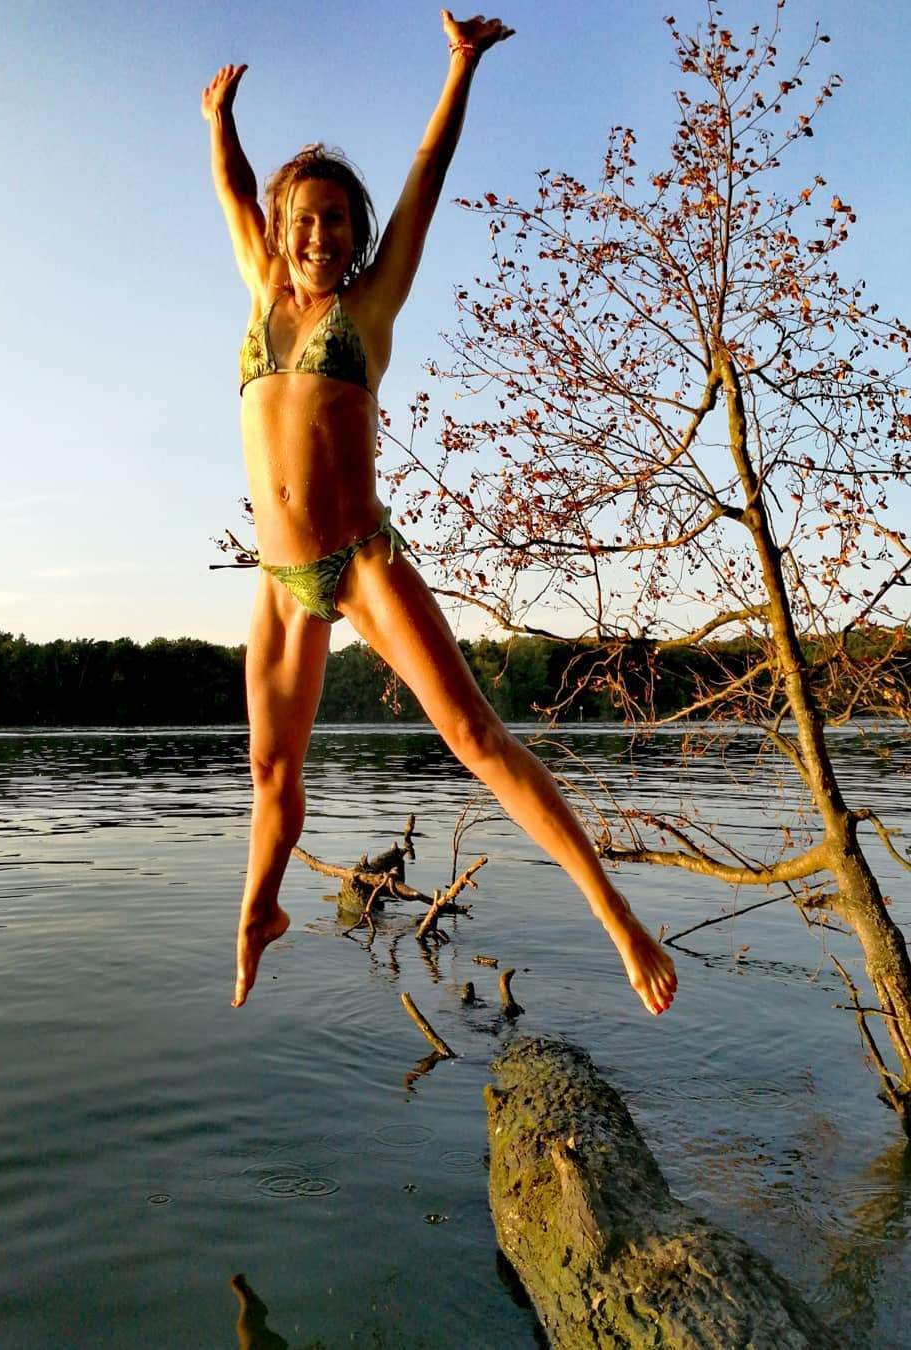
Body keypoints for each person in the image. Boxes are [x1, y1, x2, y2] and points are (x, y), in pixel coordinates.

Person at [202, 10, 677, 1016]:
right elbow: (237, 195)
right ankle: (260, 912)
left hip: (363, 560)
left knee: (473, 733)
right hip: (281, 584)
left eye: (336, 220)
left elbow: (424, 174)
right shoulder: (260, 290)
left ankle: (615, 913)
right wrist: (220, 123)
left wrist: (459, 69)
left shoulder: (366, 310)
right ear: (285, 234)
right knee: (269, 769)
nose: (319, 234)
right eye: (305, 221)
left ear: (354, 236)